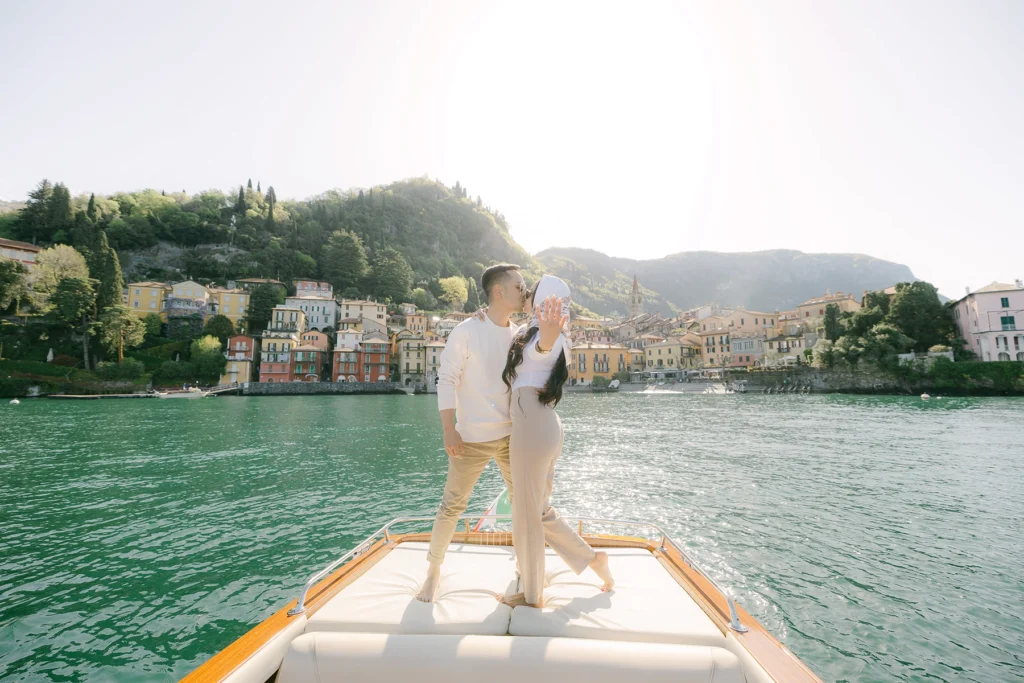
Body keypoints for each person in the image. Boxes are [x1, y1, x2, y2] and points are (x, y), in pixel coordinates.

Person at [415, 263, 528, 603]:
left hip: (512, 436)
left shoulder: (519, 333)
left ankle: (524, 569)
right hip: (471, 438)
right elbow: (446, 380)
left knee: (522, 504)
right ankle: (433, 572)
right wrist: (449, 430)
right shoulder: (466, 331)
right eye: (520, 287)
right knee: (452, 506)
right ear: (499, 291)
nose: (525, 292)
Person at [500, 275, 614, 608]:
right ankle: (593, 559)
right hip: (543, 424)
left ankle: (532, 595)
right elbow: (536, 350)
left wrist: (546, 338)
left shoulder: (548, 337)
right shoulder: (539, 334)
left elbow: (539, 352)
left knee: (526, 515)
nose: (526, 296)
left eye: (531, 293)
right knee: (538, 510)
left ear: (542, 301)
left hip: (533, 426)